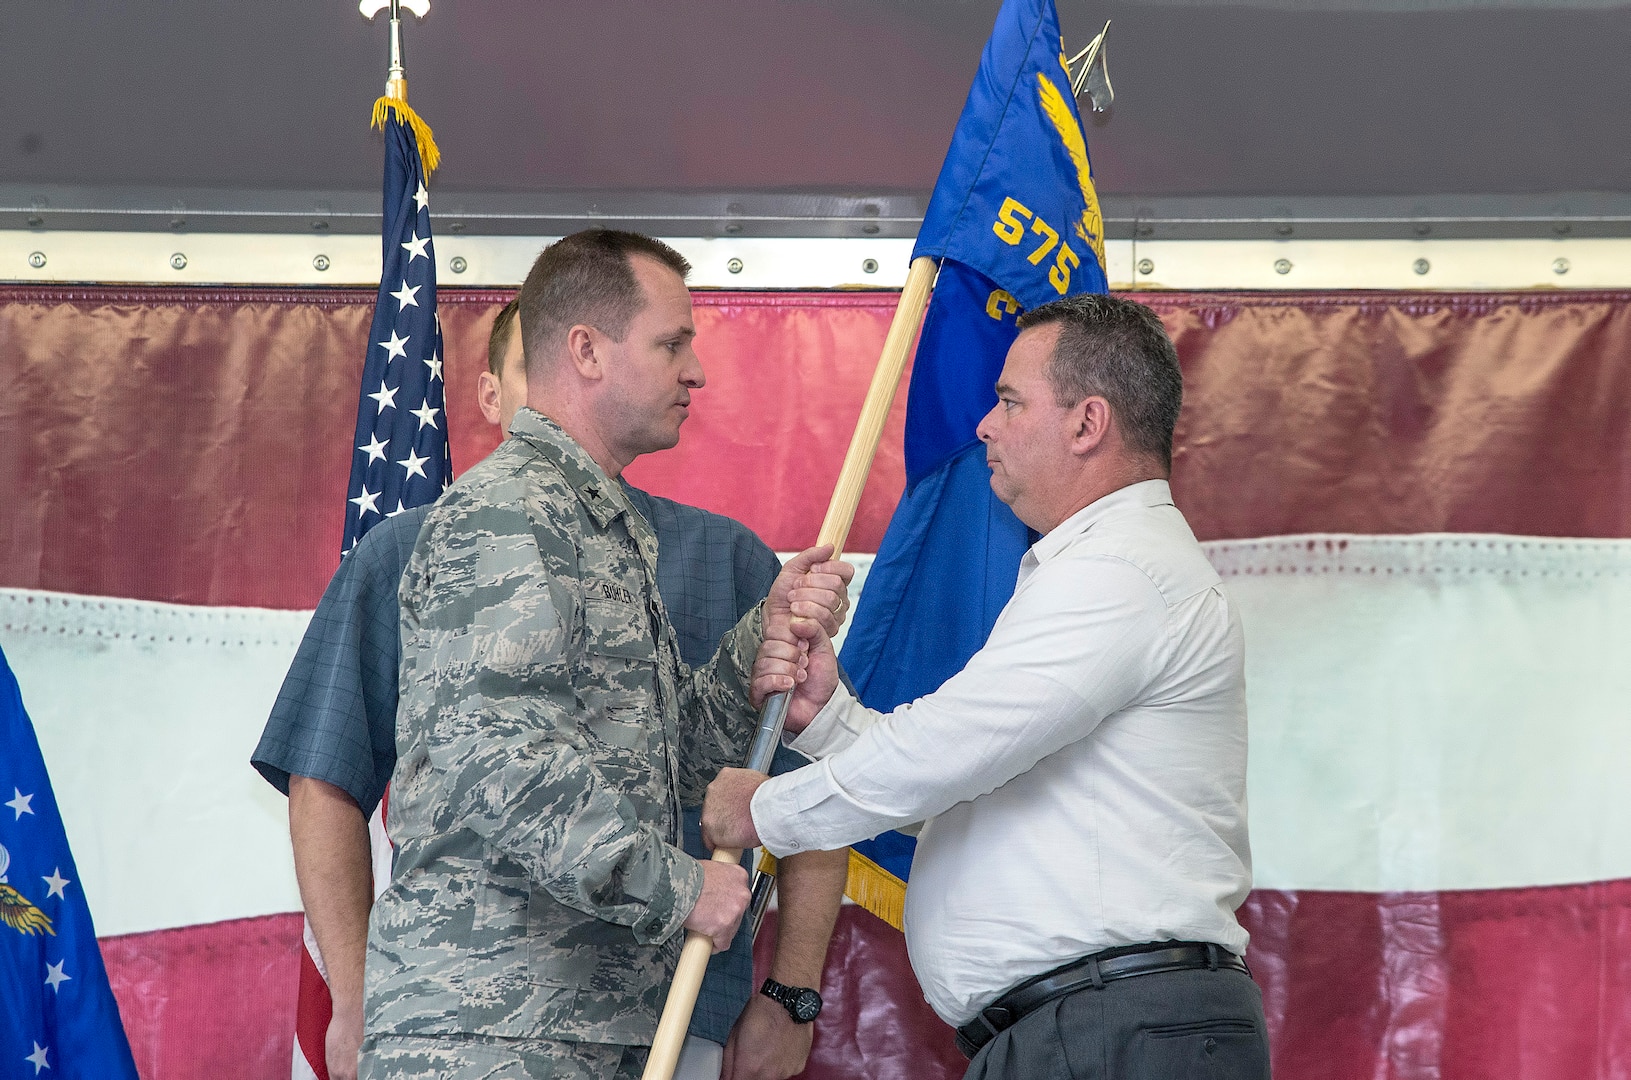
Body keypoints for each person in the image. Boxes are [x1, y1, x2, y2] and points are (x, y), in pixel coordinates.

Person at [252, 292, 848, 1080]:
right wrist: (356, 997)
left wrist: (754, 650)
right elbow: (491, 760)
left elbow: (712, 776)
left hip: (636, 1014)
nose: (695, 373)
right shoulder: (485, 521)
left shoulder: (641, 541)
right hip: (496, 1026)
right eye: (671, 345)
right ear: (574, 360)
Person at [702, 294, 1270, 1080]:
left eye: (1009, 401)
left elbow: (949, 751)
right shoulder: (1092, 568)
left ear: (1086, 423)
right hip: (1087, 1029)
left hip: (1115, 1029)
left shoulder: (1121, 572)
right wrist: (827, 721)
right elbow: (972, 772)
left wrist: (763, 810)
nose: (983, 426)